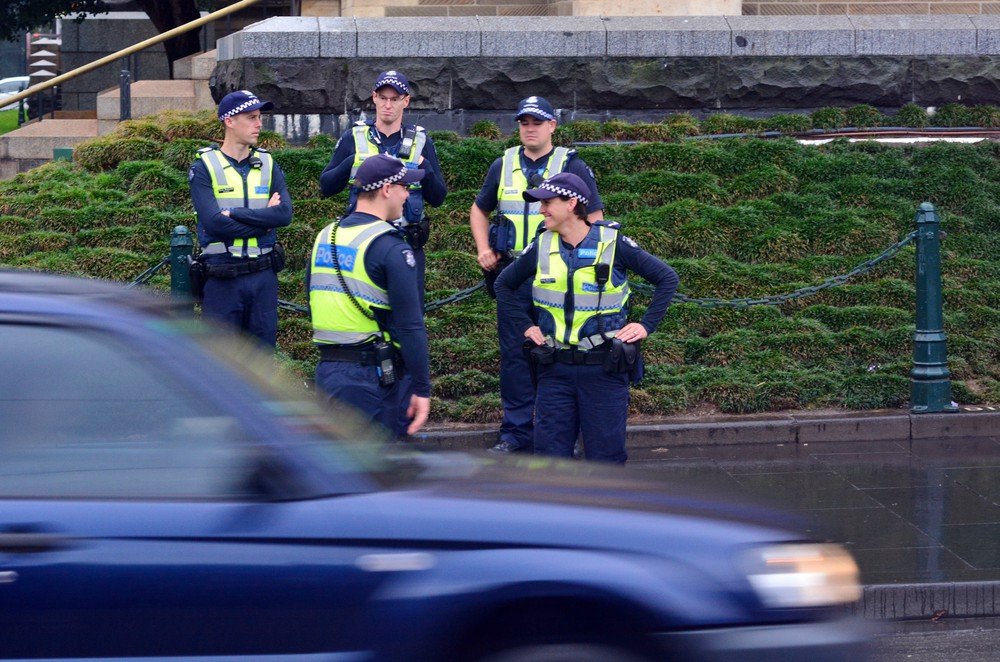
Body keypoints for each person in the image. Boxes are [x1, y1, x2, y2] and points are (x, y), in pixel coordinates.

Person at [493, 173, 679, 464]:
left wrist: (645, 325)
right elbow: (502, 285)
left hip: (604, 370)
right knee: (550, 462)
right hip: (554, 370)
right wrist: (526, 327)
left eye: (547, 203)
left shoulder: (613, 243)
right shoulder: (541, 245)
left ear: (571, 204)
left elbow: (667, 278)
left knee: (606, 461)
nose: (541, 210)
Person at [469, 96, 604, 454]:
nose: (529, 128)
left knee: (559, 353)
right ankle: (515, 434)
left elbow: (596, 219)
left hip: (558, 275)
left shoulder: (572, 164)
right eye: (524, 122)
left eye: (537, 122)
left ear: (552, 126)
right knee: (515, 356)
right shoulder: (504, 163)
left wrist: (583, 262)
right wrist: (483, 247)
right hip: (513, 274)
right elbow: (480, 209)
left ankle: (561, 435)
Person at [319, 70, 447, 436]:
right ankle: (371, 399)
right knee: (369, 322)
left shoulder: (421, 141)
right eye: (383, 97)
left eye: (396, 98)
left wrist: (425, 171)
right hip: (363, 251)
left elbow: (438, 196)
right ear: (374, 99)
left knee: (408, 324)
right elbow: (325, 187)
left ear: (406, 102)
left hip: (406, 247)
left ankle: (405, 405)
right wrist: (352, 167)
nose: (388, 104)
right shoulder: (355, 137)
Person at [307, 154, 431, 437]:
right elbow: (410, 325)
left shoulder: (326, 236)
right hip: (371, 380)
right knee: (375, 472)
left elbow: (313, 300)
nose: (408, 195)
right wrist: (422, 388)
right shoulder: (390, 247)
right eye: (404, 186)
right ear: (387, 189)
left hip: (328, 374)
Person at [188, 89, 292, 347]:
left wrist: (235, 214)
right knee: (222, 366)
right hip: (222, 277)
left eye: (259, 117)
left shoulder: (268, 163)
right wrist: (265, 223)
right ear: (229, 121)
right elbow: (214, 223)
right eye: (251, 117)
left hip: (263, 276)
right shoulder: (203, 166)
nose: (259, 124)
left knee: (262, 364)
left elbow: (284, 214)